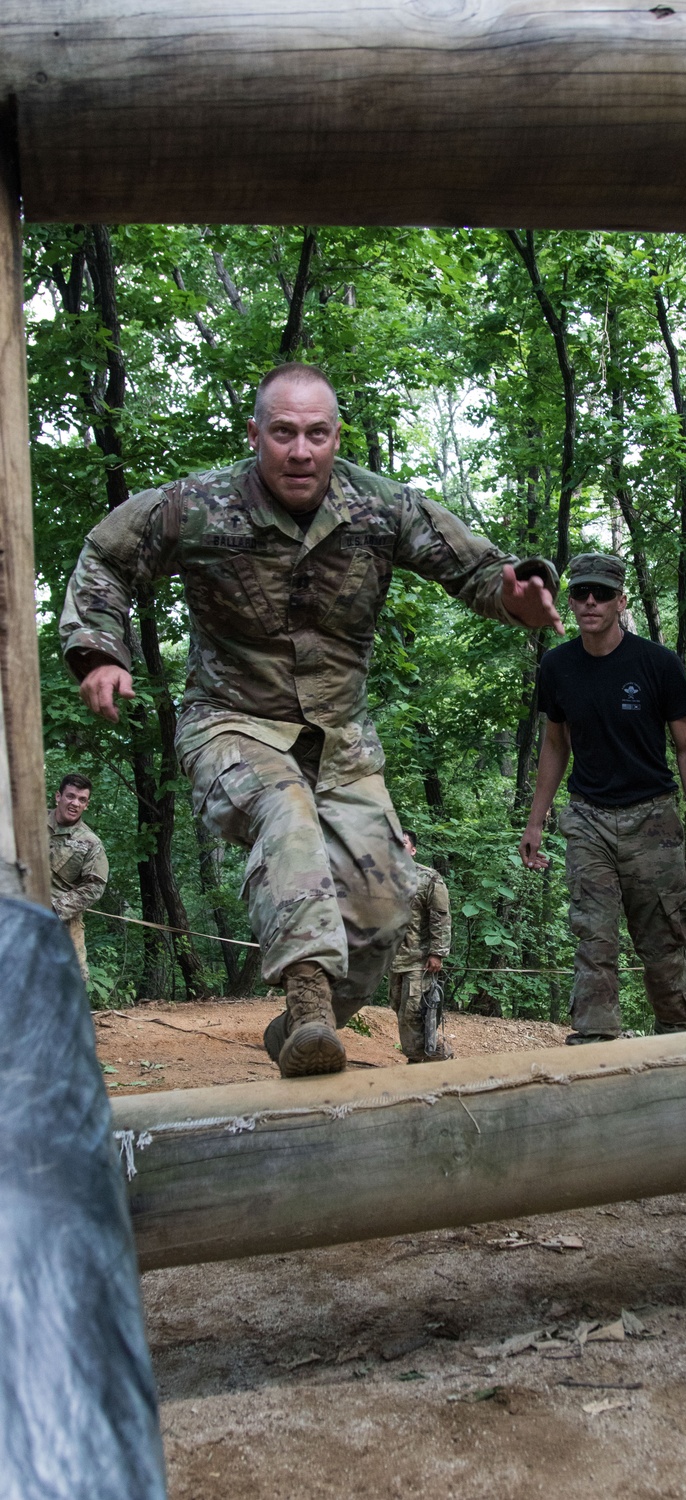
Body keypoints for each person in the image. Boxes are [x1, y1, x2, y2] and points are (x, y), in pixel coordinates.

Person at [61, 363, 560, 1077]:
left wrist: (516, 599)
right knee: (284, 808)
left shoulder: (380, 506)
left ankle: (303, 1025)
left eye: (317, 434)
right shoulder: (197, 505)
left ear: (335, 437)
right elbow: (106, 556)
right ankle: (306, 1003)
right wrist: (100, 652)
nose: (301, 451)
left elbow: (479, 571)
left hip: (342, 738)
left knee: (390, 903)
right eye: (285, 433)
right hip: (230, 721)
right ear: (256, 434)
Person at [518, 553, 686, 1043]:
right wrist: (535, 821)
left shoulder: (657, 664)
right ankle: (595, 1044)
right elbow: (554, 743)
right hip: (587, 817)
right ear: (569, 600)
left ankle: (679, 1040)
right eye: (581, 592)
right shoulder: (557, 665)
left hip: (651, 819)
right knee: (594, 935)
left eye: (602, 593)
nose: (591, 602)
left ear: (620, 600)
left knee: (663, 941)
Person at [389, 830, 452, 1063]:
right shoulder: (383, 880)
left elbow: (441, 917)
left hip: (420, 960)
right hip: (394, 960)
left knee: (414, 1012)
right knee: (399, 1008)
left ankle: (427, 1058)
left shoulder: (429, 878)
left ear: (413, 850)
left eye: (403, 843)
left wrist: (437, 953)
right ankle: (427, 1055)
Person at [48, 773, 109, 985]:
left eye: (82, 800)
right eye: (70, 796)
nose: (75, 803)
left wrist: (55, 908)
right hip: (20, 911)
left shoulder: (91, 843)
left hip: (64, 920)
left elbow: (95, 887)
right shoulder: (30, 824)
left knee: (72, 983)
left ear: (87, 805)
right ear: (58, 796)